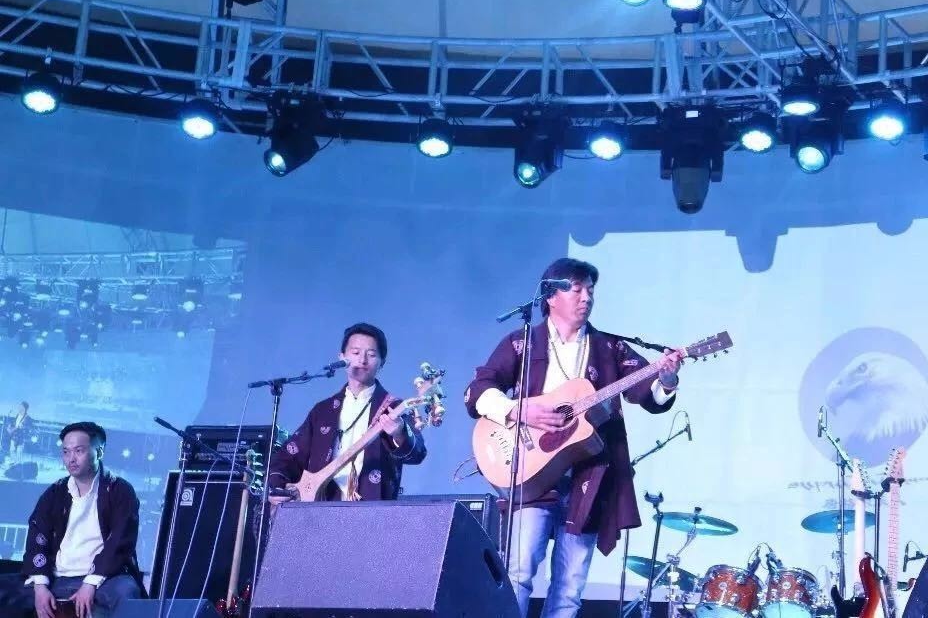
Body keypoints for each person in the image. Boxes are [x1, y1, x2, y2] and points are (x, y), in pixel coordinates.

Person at [464, 257, 684, 618]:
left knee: (569, 588)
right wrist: (518, 410)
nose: (587, 297)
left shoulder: (609, 348)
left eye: (591, 290)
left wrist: (668, 379)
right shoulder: (523, 342)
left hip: (587, 479)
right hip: (530, 471)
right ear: (551, 296)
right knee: (518, 573)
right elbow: (478, 390)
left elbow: (647, 393)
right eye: (577, 289)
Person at [268, 322, 426, 503]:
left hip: (372, 508)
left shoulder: (393, 407)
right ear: (342, 357)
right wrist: (277, 486)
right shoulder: (323, 411)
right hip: (321, 507)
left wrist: (399, 432)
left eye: (371, 354)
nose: (362, 360)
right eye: (356, 353)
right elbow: (289, 455)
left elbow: (418, 453)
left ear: (381, 362)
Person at [0, 421, 145, 618]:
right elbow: (37, 535)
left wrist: (90, 583)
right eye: (66, 452)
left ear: (99, 452)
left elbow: (120, 541)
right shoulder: (55, 492)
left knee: (126, 594)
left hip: (106, 579)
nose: (71, 459)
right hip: (57, 576)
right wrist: (40, 586)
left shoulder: (119, 490)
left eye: (79, 451)